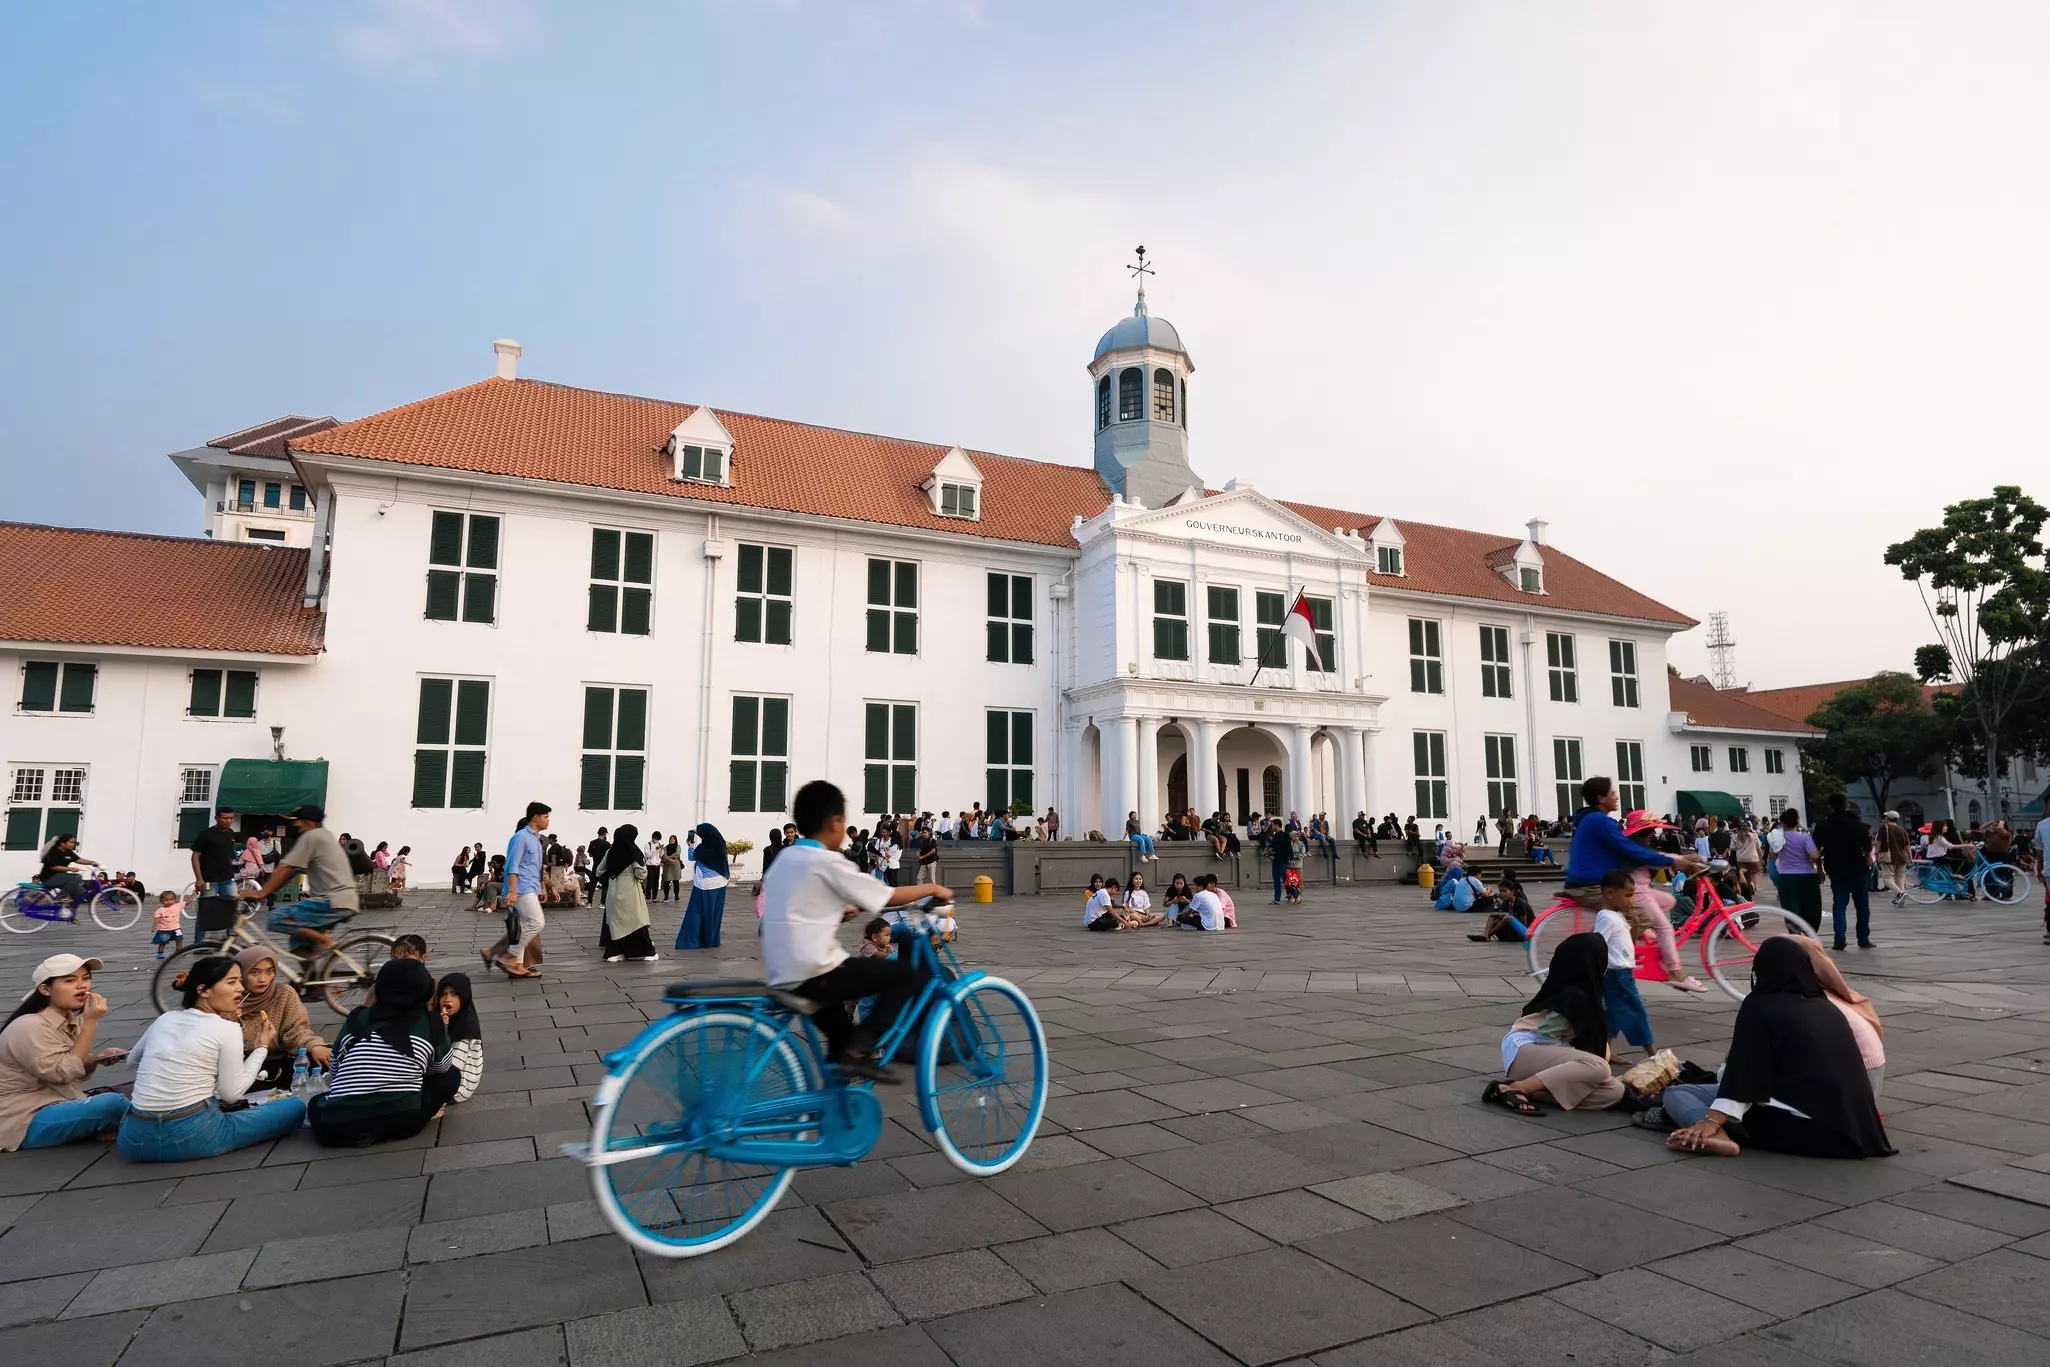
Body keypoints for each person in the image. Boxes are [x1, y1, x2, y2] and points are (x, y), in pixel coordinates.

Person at [760, 779, 950, 1083]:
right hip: (817, 972)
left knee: (839, 1048)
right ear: (835, 822)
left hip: (785, 974)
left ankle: (837, 1100)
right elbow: (886, 895)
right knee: (907, 976)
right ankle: (862, 1050)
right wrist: (932, 887)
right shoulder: (828, 861)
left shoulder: (787, 857)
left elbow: (797, 910)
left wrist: (839, 912)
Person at [1661, 938, 1894, 1159]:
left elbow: (1745, 1074)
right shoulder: (1827, 1007)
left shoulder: (1760, 1005)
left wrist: (1710, 1122)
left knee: (1677, 1093)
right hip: (1855, 1133)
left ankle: (1718, 1137)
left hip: (1804, 1130)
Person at [118, 956, 306, 1161]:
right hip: (196, 1135)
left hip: (133, 1139)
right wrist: (262, 1046)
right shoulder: (227, 1028)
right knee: (293, 1107)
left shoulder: (165, 1019)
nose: (240, 989)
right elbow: (231, 1095)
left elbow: (132, 1061)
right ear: (203, 991)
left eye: (240, 982)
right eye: (231, 982)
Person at [308, 959, 459, 1146]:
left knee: (315, 1102)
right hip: (402, 1122)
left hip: (335, 1129)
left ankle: (360, 1130)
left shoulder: (358, 1018)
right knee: (452, 1075)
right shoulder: (431, 1022)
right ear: (426, 990)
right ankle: (413, 1109)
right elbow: (441, 1067)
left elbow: (336, 1068)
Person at [1483, 933, 1624, 1114]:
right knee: (1598, 1067)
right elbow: (1545, 1037)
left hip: (1544, 1056)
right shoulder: (1575, 995)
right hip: (1525, 1049)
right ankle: (1520, 1087)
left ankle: (1537, 1093)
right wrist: (1575, 1057)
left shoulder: (1586, 992)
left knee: (1614, 1091)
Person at [0, 955, 128, 1151]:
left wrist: (95, 1060)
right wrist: (91, 1023)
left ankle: (107, 1123)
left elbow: (70, 1069)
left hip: (59, 1101)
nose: (81, 985)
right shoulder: (29, 1025)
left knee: (138, 1089)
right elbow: (62, 1074)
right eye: (70, 980)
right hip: (24, 1118)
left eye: (85, 978)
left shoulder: (69, 1017)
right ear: (45, 989)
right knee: (113, 1105)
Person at [1563, 776, 1705, 910]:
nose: (1616, 796)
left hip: (1590, 881)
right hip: (1591, 886)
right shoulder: (1600, 821)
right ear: (1601, 798)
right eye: (1612, 793)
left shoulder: (1592, 819)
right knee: (1643, 918)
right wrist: (1672, 861)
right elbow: (1632, 850)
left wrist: (1677, 859)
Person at [254, 805, 361, 957]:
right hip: (345, 900)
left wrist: (261, 893)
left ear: (308, 822)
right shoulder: (325, 835)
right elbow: (290, 873)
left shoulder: (311, 836)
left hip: (331, 900)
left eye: (297, 821)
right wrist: (270, 890)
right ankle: (309, 977)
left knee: (276, 917)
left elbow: (285, 868)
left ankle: (325, 941)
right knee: (299, 941)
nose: (294, 824)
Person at [234, 946, 330, 1090]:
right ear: (241, 973)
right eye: (254, 972)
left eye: (269, 972)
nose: (262, 979)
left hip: (273, 1069)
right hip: (235, 1071)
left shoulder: (284, 994)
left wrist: (313, 1044)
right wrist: (228, 1021)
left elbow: (297, 1030)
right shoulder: (229, 997)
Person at [1593, 869, 1658, 1059]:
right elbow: (1598, 943)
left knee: (1612, 1012)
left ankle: (1605, 1049)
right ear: (1610, 893)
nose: (1630, 900)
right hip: (1617, 974)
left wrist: (1635, 925)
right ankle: (1652, 1053)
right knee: (1635, 1010)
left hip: (1620, 972)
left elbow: (1627, 941)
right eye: (1627, 895)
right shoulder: (1606, 917)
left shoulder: (1616, 915)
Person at [1813, 793, 1876, 950]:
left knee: (1839, 904)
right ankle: (1863, 938)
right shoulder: (1857, 824)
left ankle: (1839, 939)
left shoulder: (1823, 826)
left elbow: (1815, 848)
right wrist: (1867, 855)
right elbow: (1867, 845)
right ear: (1847, 805)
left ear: (1831, 806)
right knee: (1862, 906)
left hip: (1836, 869)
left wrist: (1820, 867)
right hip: (1857, 868)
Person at [599, 824, 659, 961]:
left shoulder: (611, 851)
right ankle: (647, 952)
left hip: (613, 891)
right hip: (630, 891)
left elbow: (599, 870)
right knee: (636, 922)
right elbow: (641, 873)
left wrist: (613, 873)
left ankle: (614, 953)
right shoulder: (634, 851)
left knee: (616, 923)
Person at [676, 823, 731, 949]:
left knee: (697, 912)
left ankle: (693, 940)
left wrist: (690, 846)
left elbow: (691, 857)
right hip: (721, 883)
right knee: (715, 914)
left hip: (704, 885)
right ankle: (712, 940)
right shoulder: (720, 845)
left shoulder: (702, 848)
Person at [1772, 808, 1824, 930]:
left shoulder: (1779, 838)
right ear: (1797, 820)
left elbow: (1773, 854)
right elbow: (1814, 856)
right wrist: (1822, 851)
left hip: (1786, 877)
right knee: (1811, 907)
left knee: (1790, 908)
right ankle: (1809, 933)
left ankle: (1795, 934)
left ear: (1783, 822)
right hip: (1806, 876)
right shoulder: (1804, 837)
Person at [435, 973, 484, 1103]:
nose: (447, 999)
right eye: (443, 994)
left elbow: (453, 1067)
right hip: (444, 1075)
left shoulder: (466, 1028)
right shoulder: (444, 1019)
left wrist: (442, 1031)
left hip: (457, 1088)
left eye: (454, 994)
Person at [187, 806, 241, 903]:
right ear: (216, 818)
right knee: (207, 907)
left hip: (227, 877)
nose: (228, 821)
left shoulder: (230, 833)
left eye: (231, 818)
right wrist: (199, 879)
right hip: (209, 878)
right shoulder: (205, 834)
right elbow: (195, 856)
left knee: (232, 905)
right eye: (225, 818)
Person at [35, 832, 102, 906]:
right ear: (62, 843)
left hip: (61, 878)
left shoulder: (68, 852)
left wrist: (92, 862)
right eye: (71, 842)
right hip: (48, 878)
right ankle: (60, 897)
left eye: (74, 842)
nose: (73, 844)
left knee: (81, 894)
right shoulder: (53, 852)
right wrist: (70, 869)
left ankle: (68, 914)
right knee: (77, 877)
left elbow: (78, 860)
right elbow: (53, 867)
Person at [150, 890, 186, 959]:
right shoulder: (160, 910)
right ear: (161, 901)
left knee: (179, 940)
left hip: (176, 928)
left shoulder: (177, 906)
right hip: (164, 930)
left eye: (171, 900)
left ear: (175, 900)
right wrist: (154, 927)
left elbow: (186, 903)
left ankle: (178, 951)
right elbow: (157, 919)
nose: (169, 901)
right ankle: (160, 953)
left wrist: (193, 895)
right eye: (166, 900)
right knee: (163, 942)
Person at [661, 837, 684, 902]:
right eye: (671, 839)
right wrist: (670, 859)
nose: (672, 840)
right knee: (666, 881)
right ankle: (666, 897)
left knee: (676, 881)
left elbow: (677, 853)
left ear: (676, 840)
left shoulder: (678, 846)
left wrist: (669, 858)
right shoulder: (666, 847)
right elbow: (664, 855)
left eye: (673, 839)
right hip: (667, 865)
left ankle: (677, 896)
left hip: (675, 865)